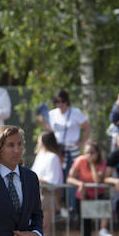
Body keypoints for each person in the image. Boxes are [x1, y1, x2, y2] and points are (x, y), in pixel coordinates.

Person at [40, 89, 91, 218]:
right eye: (57, 101)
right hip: (57, 150)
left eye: (62, 101)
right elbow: (49, 131)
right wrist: (43, 121)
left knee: (72, 178)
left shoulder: (76, 112)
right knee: (58, 178)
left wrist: (82, 142)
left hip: (71, 149)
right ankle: (59, 207)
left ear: (67, 101)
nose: (60, 104)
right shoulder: (52, 114)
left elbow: (86, 127)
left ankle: (72, 207)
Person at [66, 140, 111, 236]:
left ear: (98, 153)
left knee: (103, 211)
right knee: (85, 229)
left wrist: (91, 165)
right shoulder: (79, 161)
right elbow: (69, 178)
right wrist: (80, 184)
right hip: (83, 197)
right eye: (86, 153)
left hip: (99, 196)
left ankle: (103, 228)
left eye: (92, 153)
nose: (88, 155)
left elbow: (98, 180)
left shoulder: (102, 163)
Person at [30, 131, 64, 236]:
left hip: (47, 194)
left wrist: (35, 179)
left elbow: (53, 180)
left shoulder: (53, 157)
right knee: (32, 227)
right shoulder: (40, 155)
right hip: (35, 193)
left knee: (45, 227)